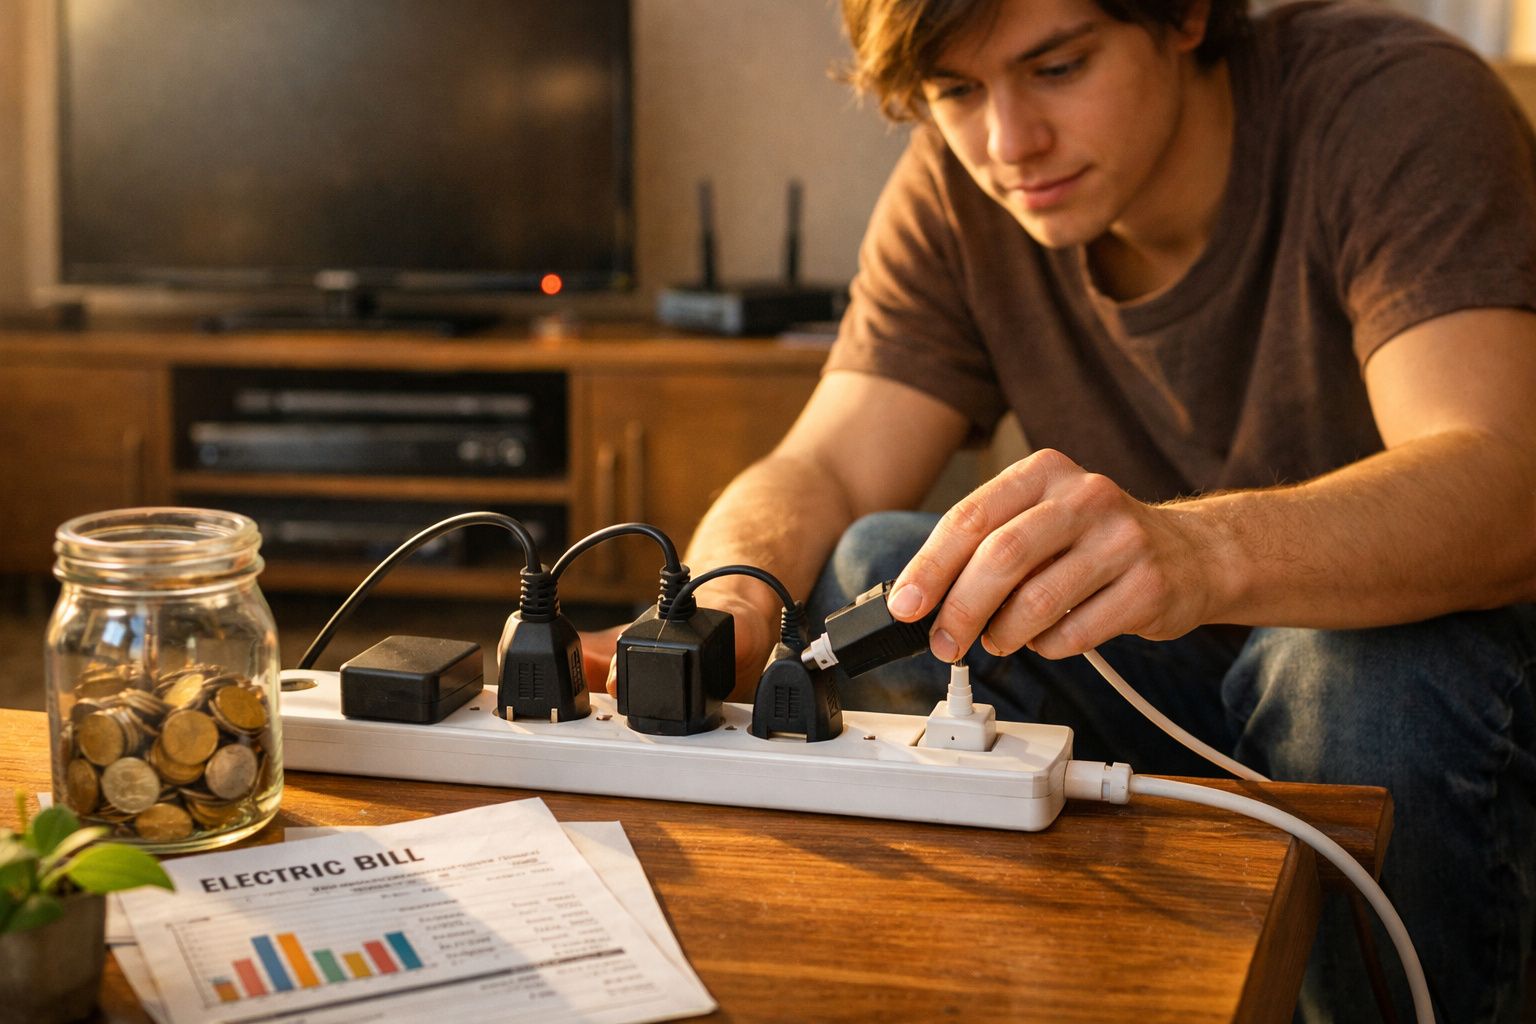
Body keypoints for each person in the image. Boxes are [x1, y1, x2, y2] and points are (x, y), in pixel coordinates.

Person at [589, 0, 1536, 1018]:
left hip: (1397, 673)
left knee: (1351, 673)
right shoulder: (959, 188)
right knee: (881, 564)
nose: (1008, 144)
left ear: (1184, 16)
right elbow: (824, 464)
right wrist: (723, 604)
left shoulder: (1394, 102)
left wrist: (1199, 549)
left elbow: (1505, 477)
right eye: (957, 91)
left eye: (1059, 67)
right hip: (1152, 674)